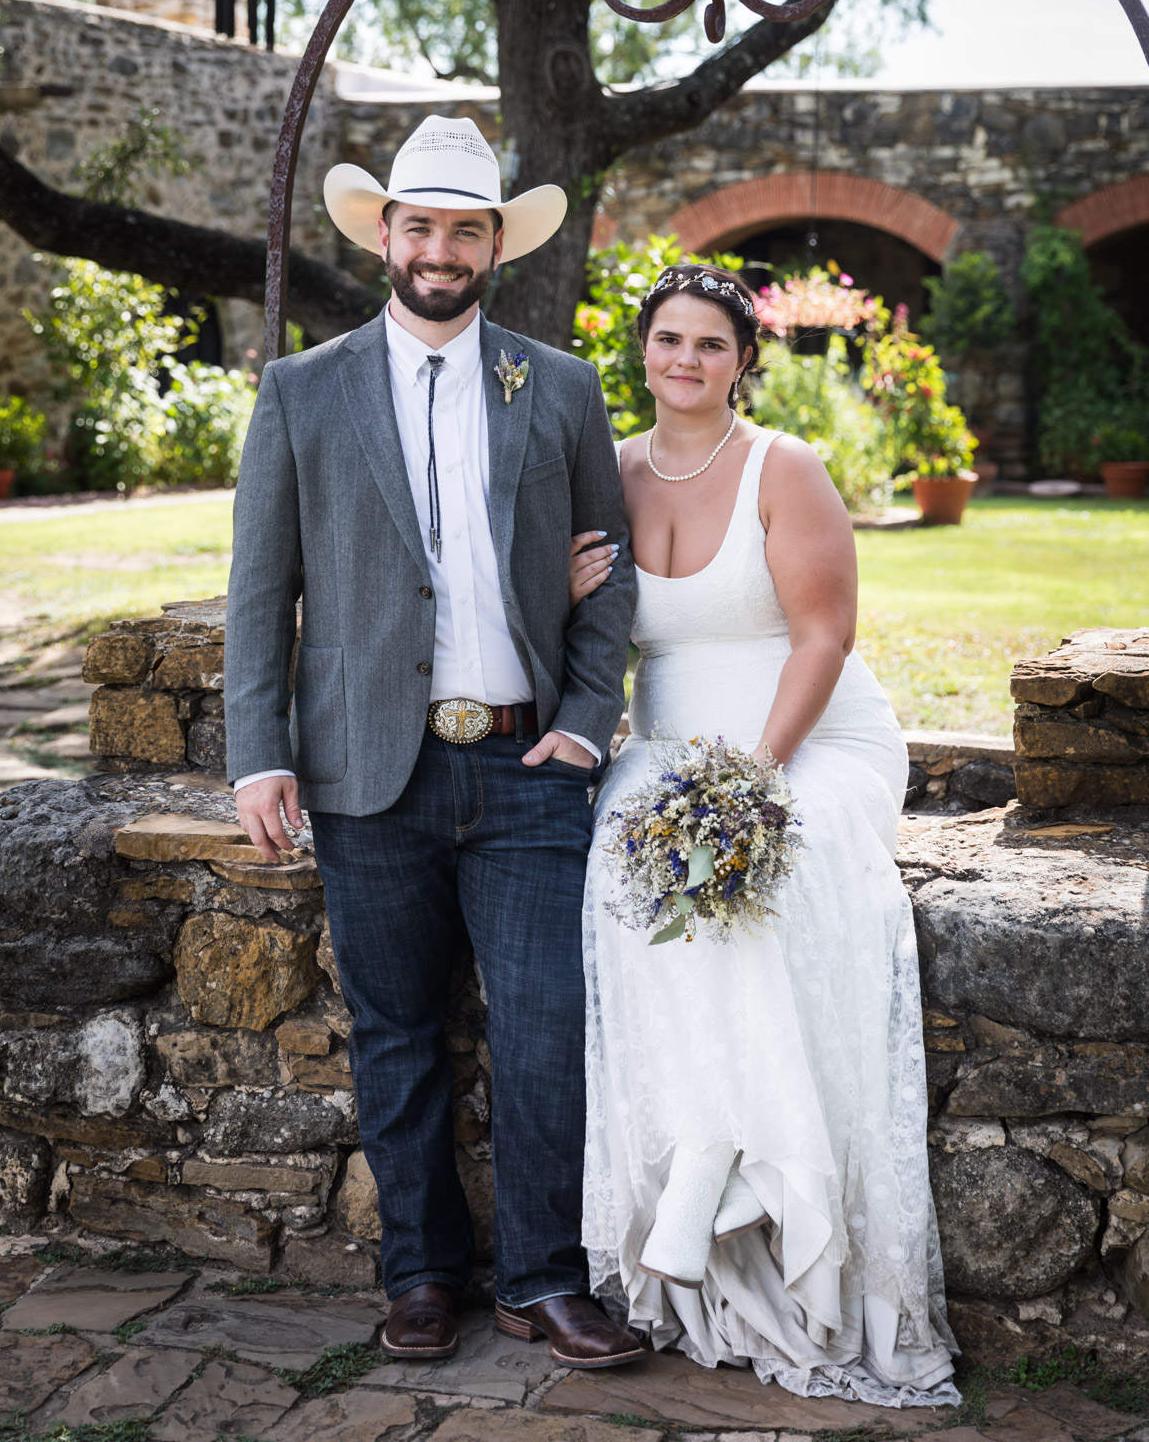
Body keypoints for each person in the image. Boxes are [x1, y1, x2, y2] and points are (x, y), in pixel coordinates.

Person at [225, 116, 644, 1370]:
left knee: (541, 1028)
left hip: (526, 772)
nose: (442, 247)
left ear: (495, 245)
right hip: (366, 773)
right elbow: (260, 590)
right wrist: (259, 752)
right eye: (422, 225)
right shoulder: (304, 389)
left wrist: (581, 727)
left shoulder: (557, 386)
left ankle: (543, 1281)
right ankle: (420, 1278)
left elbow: (608, 580)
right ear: (387, 236)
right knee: (398, 1034)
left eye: (467, 228)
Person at [570, 262, 959, 1408]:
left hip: (809, 739)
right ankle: (703, 1151)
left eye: (710, 345)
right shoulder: (611, 473)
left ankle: (735, 1181)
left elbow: (824, 637)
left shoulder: (783, 467)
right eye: (667, 341)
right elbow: (590, 637)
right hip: (673, 748)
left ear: (744, 362)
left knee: (768, 880)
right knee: (622, 879)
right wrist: (559, 582)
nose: (685, 361)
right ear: (641, 352)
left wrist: (754, 785)